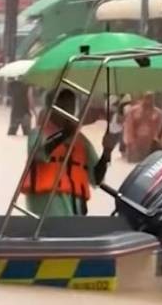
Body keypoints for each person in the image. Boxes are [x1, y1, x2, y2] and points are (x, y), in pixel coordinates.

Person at [21, 88, 114, 217]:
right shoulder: (37, 134)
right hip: (46, 207)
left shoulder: (81, 141)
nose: (67, 111)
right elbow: (39, 154)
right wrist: (65, 133)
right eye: (62, 106)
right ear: (51, 107)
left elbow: (96, 179)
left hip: (74, 209)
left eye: (70, 107)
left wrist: (106, 153)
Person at [122, 92, 162, 163]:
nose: (149, 100)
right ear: (143, 98)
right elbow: (128, 127)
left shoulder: (157, 113)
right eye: (147, 97)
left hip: (150, 145)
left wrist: (161, 142)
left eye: (151, 98)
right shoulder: (133, 111)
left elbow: (161, 129)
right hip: (136, 144)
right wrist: (130, 143)